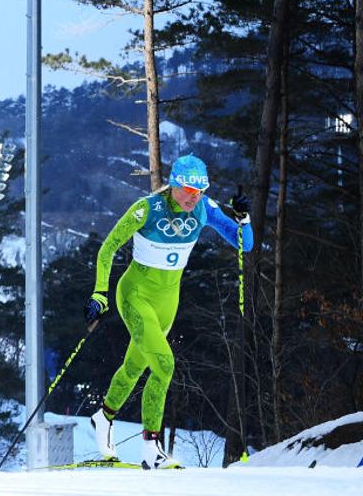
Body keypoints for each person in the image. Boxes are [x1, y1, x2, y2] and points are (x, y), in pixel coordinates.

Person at [84, 154, 254, 469]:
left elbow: (245, 244)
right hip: (135, 295)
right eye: (189, 189)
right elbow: (108, 246)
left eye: (200, 189)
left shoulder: (204, 208)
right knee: (164, 365)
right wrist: (99, 292)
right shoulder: (147, 208)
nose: (195, 196)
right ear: (174, 184)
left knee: (134, 368)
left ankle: (103, 417)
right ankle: (152, 450)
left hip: (167, 302)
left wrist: (244, 219)